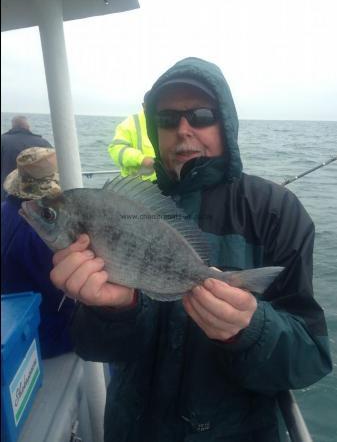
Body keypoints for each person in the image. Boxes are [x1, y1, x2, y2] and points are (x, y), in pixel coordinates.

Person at [49, 57, 332, 441]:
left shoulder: (277, 211)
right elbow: (92, 348)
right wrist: (111, 310)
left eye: (200, 115)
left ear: (225, 122)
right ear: (153, 128)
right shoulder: (127, 209)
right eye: (166, 119)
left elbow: (310, 358)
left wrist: (251, 330)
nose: (183, 130)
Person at [1, 147, 75, 359]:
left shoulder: (5, 210)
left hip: (16, 321)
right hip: (46, 334)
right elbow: (65, 294)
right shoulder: (39, 233)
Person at [1, 115, 52, 201]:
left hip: (7, 192)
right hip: (37, 194)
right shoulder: (43, 142)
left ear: (13, 126)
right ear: (28, 127)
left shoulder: (3, 140)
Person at [108, 108, 156, 181]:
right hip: (134, 186)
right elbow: (116, 149)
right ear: (144, 105)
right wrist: (141, 159)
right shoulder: (130, 123)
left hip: (167, 185)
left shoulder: (171, 121)